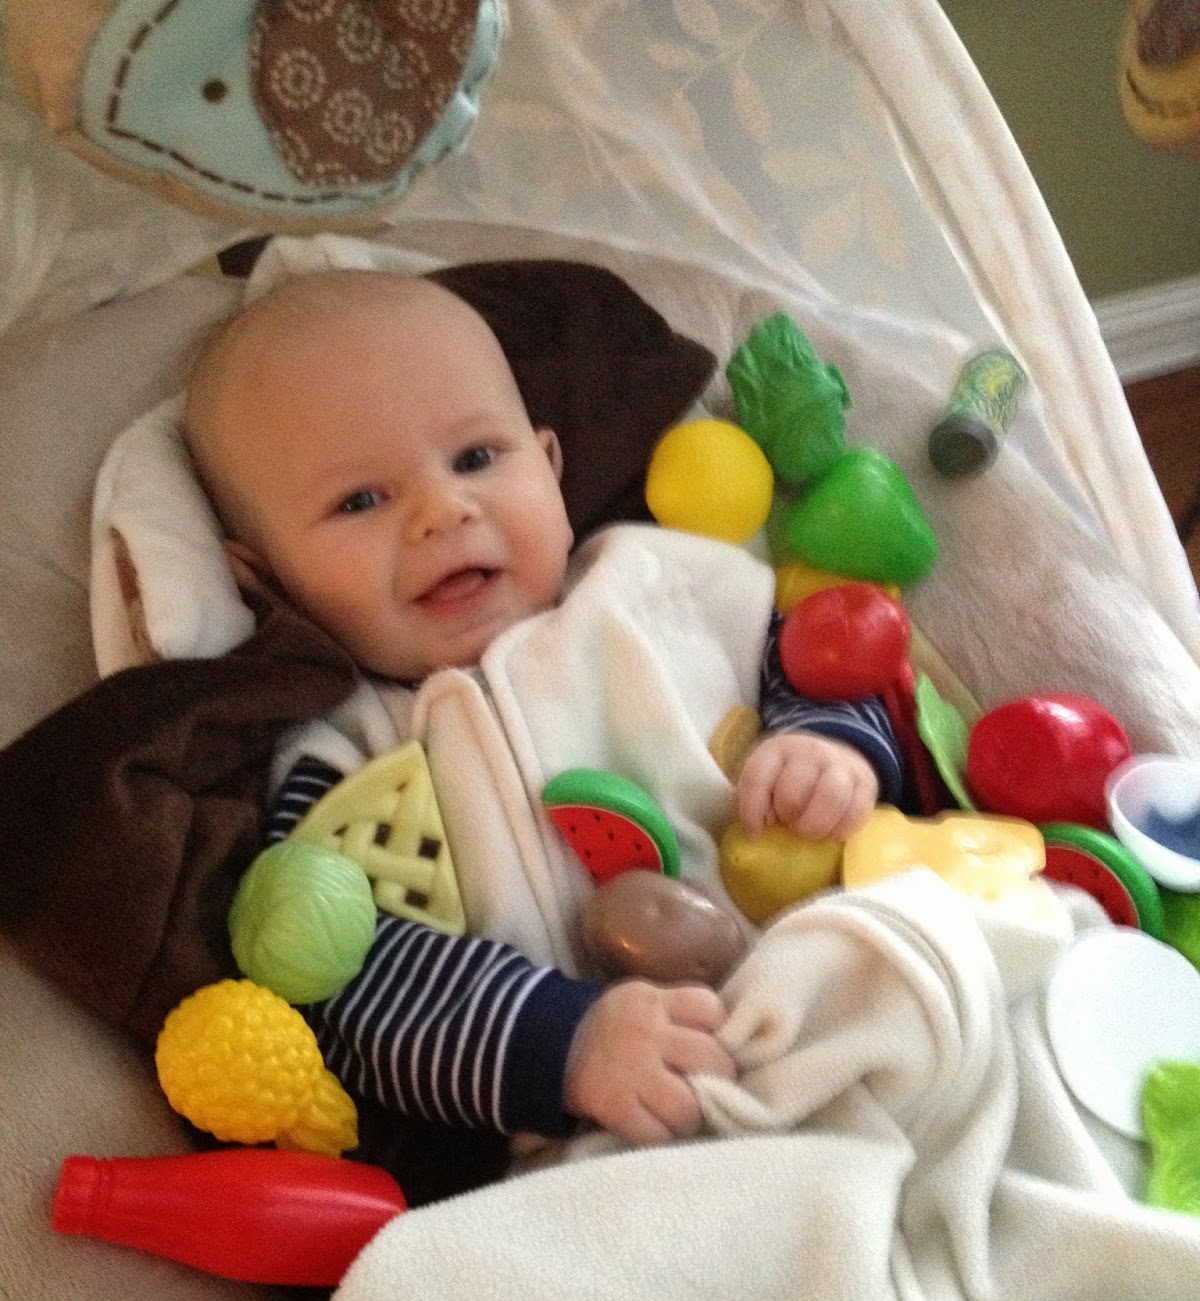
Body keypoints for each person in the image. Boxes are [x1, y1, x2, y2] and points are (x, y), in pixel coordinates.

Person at [183, 267, 904, 1150]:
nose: (443, 511)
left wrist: (828, 747)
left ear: (551, 466)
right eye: (360, 501)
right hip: (618, 1127)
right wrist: (563, 1044)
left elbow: (818, 660)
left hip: (828, 974)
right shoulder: (342, 756)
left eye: (477, 459)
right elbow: (349, 981)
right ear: (262, 577)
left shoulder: (653, 579)